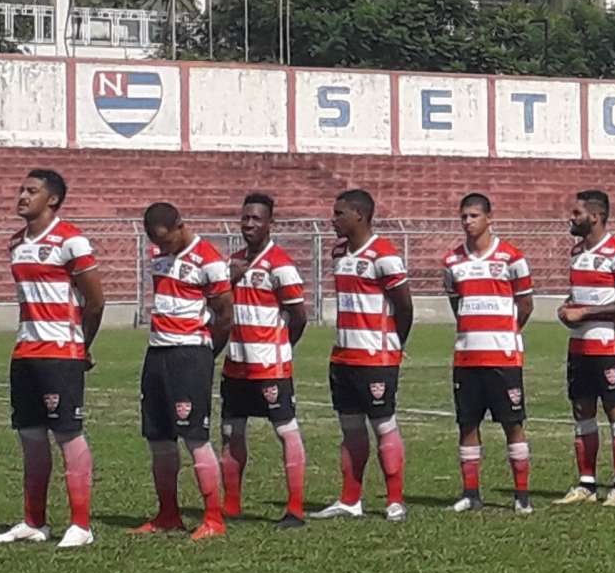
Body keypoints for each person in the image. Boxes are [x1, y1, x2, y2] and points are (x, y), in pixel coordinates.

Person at [0, 166, 104, 548]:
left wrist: (82, 344)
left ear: (52, 199)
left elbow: (95, 300)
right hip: (25, 351)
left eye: (31, 190)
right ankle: (33, 522)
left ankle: (81, 525)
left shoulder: (71, 241)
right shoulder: (15, 243)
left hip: (61, 352)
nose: (22, 196)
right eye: (21, 189)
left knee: (68, 434)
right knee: (31, 437)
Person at [134, 203, 233, 539]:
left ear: (180, 226)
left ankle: (213, 518)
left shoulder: (209, 259)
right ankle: (167, 514)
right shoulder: (158, 255)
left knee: (195, 436)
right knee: (159, 438)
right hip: (157, 352)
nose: (163, 248)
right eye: (156, 243)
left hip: (190, 354)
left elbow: (224, 316)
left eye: (166, 240)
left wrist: (204, 355)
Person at [316, 189, 413, 520]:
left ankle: (394, 500)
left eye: (339, 213)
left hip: (376, 358)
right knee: (351, 429)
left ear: (359, 215)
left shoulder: (385, 255)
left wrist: (395, 344)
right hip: (343, 356)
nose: (333, 219)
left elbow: (404, 306)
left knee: (384, 425)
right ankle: (350, 500)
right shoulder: (339, 252)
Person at [441, 191, 535, 515]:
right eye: (464, 216)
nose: (468, 222)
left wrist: (506, 332)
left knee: (513, 423)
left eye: (474, 216)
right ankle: (471, 493)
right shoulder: (452, 261)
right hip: (466, 357)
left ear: (489, 218)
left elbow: (525, 305)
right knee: (467, 424)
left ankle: (521, 495)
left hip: (502, 358)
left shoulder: (512, 258)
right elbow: (457, 303)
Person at [219, 192, 309, 527]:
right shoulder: (234, 262)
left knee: (286, 432)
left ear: (271, 223)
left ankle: (295, 508)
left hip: (270, 366)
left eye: (257, 219)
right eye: (245, 218)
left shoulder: (281, 265)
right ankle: (231, 505)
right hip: (236, 365)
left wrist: (282, 347)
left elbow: (298, 315)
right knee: (230, 433)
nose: (249, 224)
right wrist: (231, 277)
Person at [559, 188, 615, 505]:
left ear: (594, 216)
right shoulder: (576, 253)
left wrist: (586, 313)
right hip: (579, 347)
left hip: (610, 348)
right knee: (582, 410)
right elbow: (580, 298)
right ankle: (586, 484)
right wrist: (568, 309)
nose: (572, 217)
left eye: (577, 212)